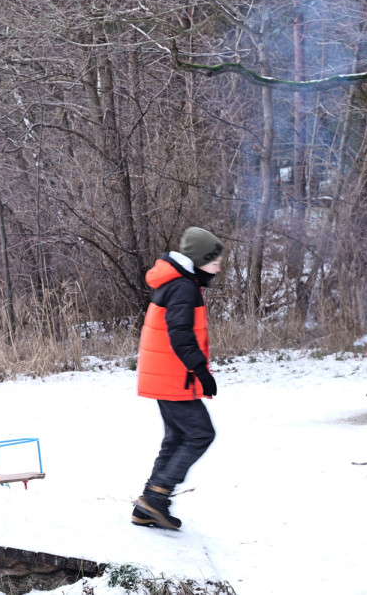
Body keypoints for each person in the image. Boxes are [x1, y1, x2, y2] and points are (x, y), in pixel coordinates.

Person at [131, 227, 224, 530]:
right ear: (197, 260)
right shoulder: (183, 287)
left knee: (177, 437)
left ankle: (149, 504)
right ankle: (156, 498)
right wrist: (200, 370)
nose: (218, 267)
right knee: (199, 434)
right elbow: (180, 334)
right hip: (174, 377)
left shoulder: (179, 282)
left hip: (167, 376)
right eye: (213, 261)